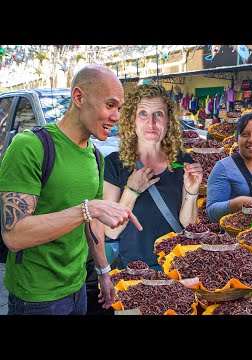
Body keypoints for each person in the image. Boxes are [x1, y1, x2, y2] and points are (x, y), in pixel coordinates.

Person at [0, 64, 142, 315]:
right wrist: (88, 209)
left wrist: (103, 272)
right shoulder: (30, 147)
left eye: (119, 109)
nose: (117, 117)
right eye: (110, 106)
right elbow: (15, 236)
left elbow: (93, 224)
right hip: (36, 298)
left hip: (78, 290)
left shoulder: (95, 157)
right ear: (79, 97)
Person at [103, 84, 203, 271]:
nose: (151, 123)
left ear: (169, 121)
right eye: (142, 114)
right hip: (134, 272)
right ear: (131, 120)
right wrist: (131, 191)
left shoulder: (182, 162)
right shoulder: (114, 164)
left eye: (159, 114)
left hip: (176, 269)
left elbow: (189, 225)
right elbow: (111, 231)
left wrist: (192, 191)